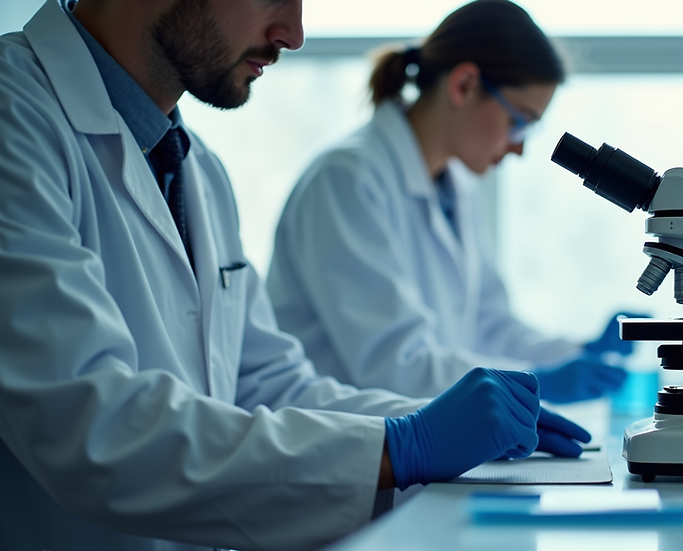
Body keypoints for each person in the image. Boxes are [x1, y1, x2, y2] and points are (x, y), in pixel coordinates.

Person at [0, 1, 592, 550]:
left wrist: (432, 424)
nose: (294, 33)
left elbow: (269, 386)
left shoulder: (198, 169)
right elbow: (90, 426)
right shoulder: (15, 116)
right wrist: (405, 445)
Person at [267, 0, 637, 405]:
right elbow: (396, 363)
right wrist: (539, 382)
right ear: (464, 85)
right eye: (519, 121)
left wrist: (579, 355)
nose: (518, 148)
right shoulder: (347, 179)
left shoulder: (455, 187)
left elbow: (488, 325)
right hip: (341, 444)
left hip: (414, 439)